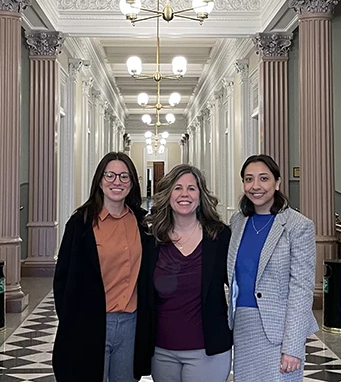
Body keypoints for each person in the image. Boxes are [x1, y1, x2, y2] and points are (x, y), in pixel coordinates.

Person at [53, 152, 152, 381]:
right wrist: (71, 322)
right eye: (110, 175)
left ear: (132, 183)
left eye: (124, 176)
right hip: (90, 322)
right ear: (100, 180)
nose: (117, 181)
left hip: (131, 324)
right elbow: (63, 278)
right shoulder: (81, 223)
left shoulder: (141, 222)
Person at [136, 164, 233, 382]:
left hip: (207, 351)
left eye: (192, 188)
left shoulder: (219, 237)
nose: (184, 194)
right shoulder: (152, 239)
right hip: (161, 352)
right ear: (168, 194)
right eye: (178, 188)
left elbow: (239, 285)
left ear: (201, 195)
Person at [227, 154, 318, 382]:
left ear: (277, 183)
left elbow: (301, 289)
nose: (255, 186)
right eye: (249, 179)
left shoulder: (298, 226)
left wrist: (293, 347)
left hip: (279, 333)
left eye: (263, 179)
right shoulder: (237, 222)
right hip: (243, 326)